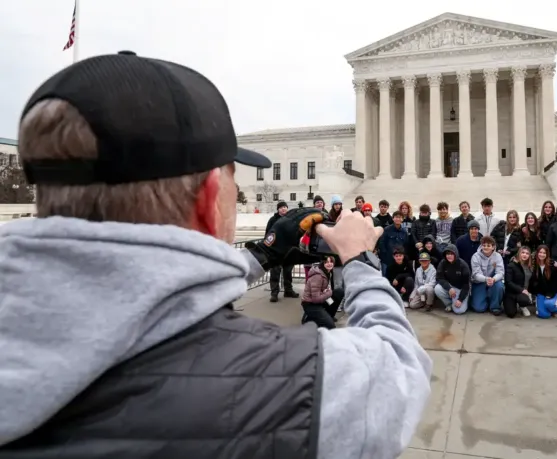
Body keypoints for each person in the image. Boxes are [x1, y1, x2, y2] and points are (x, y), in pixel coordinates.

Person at [0, 52, 432, 458]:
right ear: (209, 201)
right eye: (232, 183)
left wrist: (264, 253)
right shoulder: (295, 382)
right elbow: (399, 369)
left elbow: (142, 288)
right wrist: (358, 260)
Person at [266, 201, 299, 302]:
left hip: (288, 250)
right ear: (278, 209)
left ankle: (288, 290)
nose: (283, 209)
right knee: (275, 271)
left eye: (285, 207)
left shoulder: (290, 219)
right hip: (276, 250)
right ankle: (274, 293)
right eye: (281, 207)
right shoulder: (273, 220)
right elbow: (268, 234)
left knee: (288, 271)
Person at [301, 256, 345, 329]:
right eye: (326, 262)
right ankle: (308, 319)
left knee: (338, 293)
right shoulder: (318, 276)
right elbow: (316, 299)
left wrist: (326, 292)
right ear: (322, 263)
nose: (329, 264)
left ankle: (329, 315)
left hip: (321, 302)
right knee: (331, 326)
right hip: (311, 304)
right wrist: (329, 292)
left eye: (331, 262)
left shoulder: (327, 273)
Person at [470, 236, 505, 315]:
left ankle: (495, 306)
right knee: (479, 308)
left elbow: (500, 272)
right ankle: (482, 298)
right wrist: (486, 279)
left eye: (488, 245)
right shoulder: (475, 256)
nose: (486, 247)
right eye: (484, 245)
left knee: (499, 286)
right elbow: (476, 274)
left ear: (493, 247)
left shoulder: (498, 256)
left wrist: (493, 279)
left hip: (493, 280)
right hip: (479, 282)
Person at [435, 244, 471, 314]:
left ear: (456, 254)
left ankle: (463, 300)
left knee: (459, 311)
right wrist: (449, 288)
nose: (449, 256)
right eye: (447, 254)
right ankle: (449, 304)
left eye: (452, 254)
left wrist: (460, 299)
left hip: (461, 289)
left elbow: (466, 285)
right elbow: (439, 278)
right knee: (437, 288)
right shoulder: (443, 263)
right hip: (450, 287)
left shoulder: (463, 265)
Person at [529, 245, 557, 319]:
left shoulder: (553, 265)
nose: (542, 254)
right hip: (541, 292)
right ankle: (546, 309)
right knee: (544, 315)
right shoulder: (535, 265)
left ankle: (556, 310)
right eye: (540, 252)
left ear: (547, 254)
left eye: (544, 253)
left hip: (553, 291)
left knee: (549, 303)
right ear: (537, 253)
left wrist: (550, 294)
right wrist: (531, 292)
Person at [503, 246, 534, 318]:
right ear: (519, 253)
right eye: (523, 252)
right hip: (511, 292)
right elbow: (508, 282)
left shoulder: (531, 266)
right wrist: (521, 290)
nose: (525, 255)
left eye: (527, 253)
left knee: (525, 300)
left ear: (529, 255)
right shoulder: (511, 265)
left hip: (523, 293)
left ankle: (522, 306)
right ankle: (512, 303)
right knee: (511, 314)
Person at [377, 210, 409, 277]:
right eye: (396, 217)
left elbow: (406, 246)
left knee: (397, 279)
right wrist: (385, 254)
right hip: (387, 259)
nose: (398, 219)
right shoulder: (386, 229)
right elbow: (381, 243)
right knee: (385, 278)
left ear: (402, 219)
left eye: (400, 217)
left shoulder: (404, 232)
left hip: (398, 260)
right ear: (393, 218)